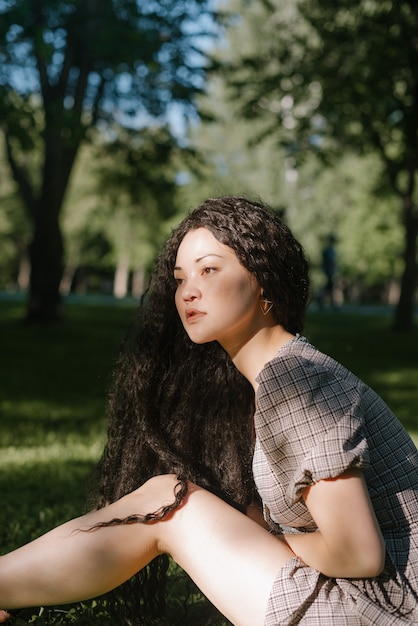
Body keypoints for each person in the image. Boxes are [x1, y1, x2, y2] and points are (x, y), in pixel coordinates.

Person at [1, 196, 417, 625]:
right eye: (181, 278)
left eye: (209, 269)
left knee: (172, 502)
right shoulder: (283, 373)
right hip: (375, 601)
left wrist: (268, 536)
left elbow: (359, 554)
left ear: (263, 281)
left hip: (380, 609)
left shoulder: (294, 379)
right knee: (168, 495)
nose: (188, 291)